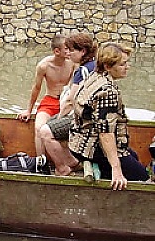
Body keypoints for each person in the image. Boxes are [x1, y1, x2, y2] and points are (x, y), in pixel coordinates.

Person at [69, 42, 150, 190]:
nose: (127, 66)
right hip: (91, 148)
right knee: (143, 180)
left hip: (78, 143)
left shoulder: (94, 76)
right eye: (122, 64)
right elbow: (105, 133)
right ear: (107, 66)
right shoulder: (107, 91)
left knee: (134, 156)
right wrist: (116, 168)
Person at [40, 33, 97, 175]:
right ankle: (73, 162)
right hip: (94, 114)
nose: (69, 53)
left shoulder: (82, 71)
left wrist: (60, 116)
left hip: (85, 118)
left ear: (82, 52)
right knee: (54, 127)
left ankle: (62, 168)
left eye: (72, 50)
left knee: (45, 131)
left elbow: (71, 101)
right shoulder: (95, 65)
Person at [17, 34, 75, 156]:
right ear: (57, 51)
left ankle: (69, 161)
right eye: (67, 48)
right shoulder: (44, 66)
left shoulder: (72, 64)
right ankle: (40, 162)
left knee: (71, 129)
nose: (69, 51)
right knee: (38, 128)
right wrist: (29, 110)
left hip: (67, 102)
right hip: (50, 100)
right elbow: (36, 88)